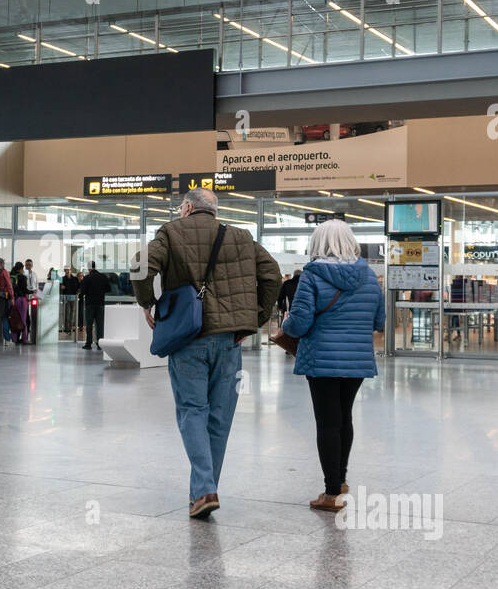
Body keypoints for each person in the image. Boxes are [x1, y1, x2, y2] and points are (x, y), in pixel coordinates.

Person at [134, 188, 280, 519]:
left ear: (186, 208)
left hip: (188, 338)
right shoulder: (241, 236)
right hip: (230, 341)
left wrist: (147, 303)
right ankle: (202, 491)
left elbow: (140, 265)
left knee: (192, 410)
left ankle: (203, 489)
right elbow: (271, 273)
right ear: (213, 211)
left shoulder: (171, 231)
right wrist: (253, 320)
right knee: (219, 417)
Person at [273, 220, 385, 512]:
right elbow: (379, 322)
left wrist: (286, 323)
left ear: (317, 243)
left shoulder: (312, 275)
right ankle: (342, 479)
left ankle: (331, 492)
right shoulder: (369, 276)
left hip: (321, 359)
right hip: (357, 359)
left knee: (327, 423)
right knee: (344, 417)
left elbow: (298, 324)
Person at [79, 261, 110, 350]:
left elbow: (83, 291)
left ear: (89, 268)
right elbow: (108, 289)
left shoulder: (87, 278)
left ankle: (88, 343)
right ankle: (100, 344)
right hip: (100, 303)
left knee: (89, 324)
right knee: (100, 324)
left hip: (90, 304)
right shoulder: (102, 277)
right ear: (95, 267)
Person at [11, 261, 31, 344]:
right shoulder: (22, 277)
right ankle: (24, 339)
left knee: (15, 319)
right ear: (21, 269)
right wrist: (33, 292)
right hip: (21, 300)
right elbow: (24, 290)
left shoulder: (11, 276)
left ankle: (15, 339)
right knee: (23, 320)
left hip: (13, 300)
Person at [60, 267, 80, 335]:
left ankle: (71, 328)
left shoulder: (75, 279)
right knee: (66, 313)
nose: (67, 271)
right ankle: (66, 329)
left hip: (73, 298)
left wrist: (77, 292)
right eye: (66, 270)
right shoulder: (62, 279)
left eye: (69, 270)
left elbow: (78, 288)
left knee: (72, 313)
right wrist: (62, 287)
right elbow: (61, 288)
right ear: (64, 271)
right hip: (66, 298)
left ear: (71, 271)